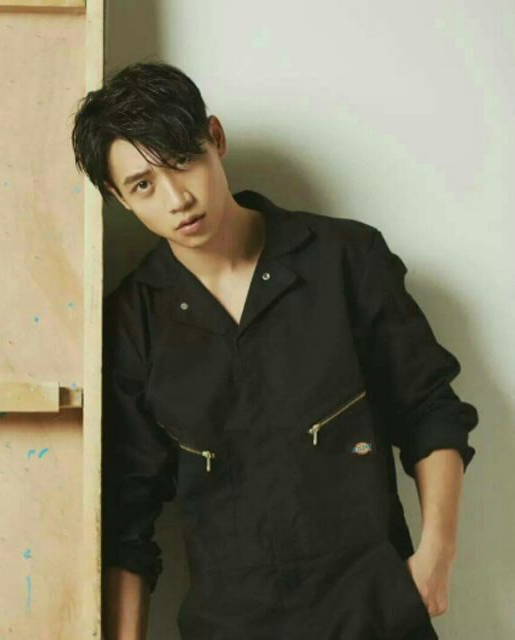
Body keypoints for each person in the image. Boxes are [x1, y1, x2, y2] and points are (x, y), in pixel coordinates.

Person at [71, 60, 479, 640]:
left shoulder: (344, 259)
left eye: (182, 160)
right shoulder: (133, 321)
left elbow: (428, 408)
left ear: (215, 138)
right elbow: (127, 519)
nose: (177, 198)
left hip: (377, 616)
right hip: (231, 626)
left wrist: (437, 556)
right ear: (117, 196)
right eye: (143, 185)